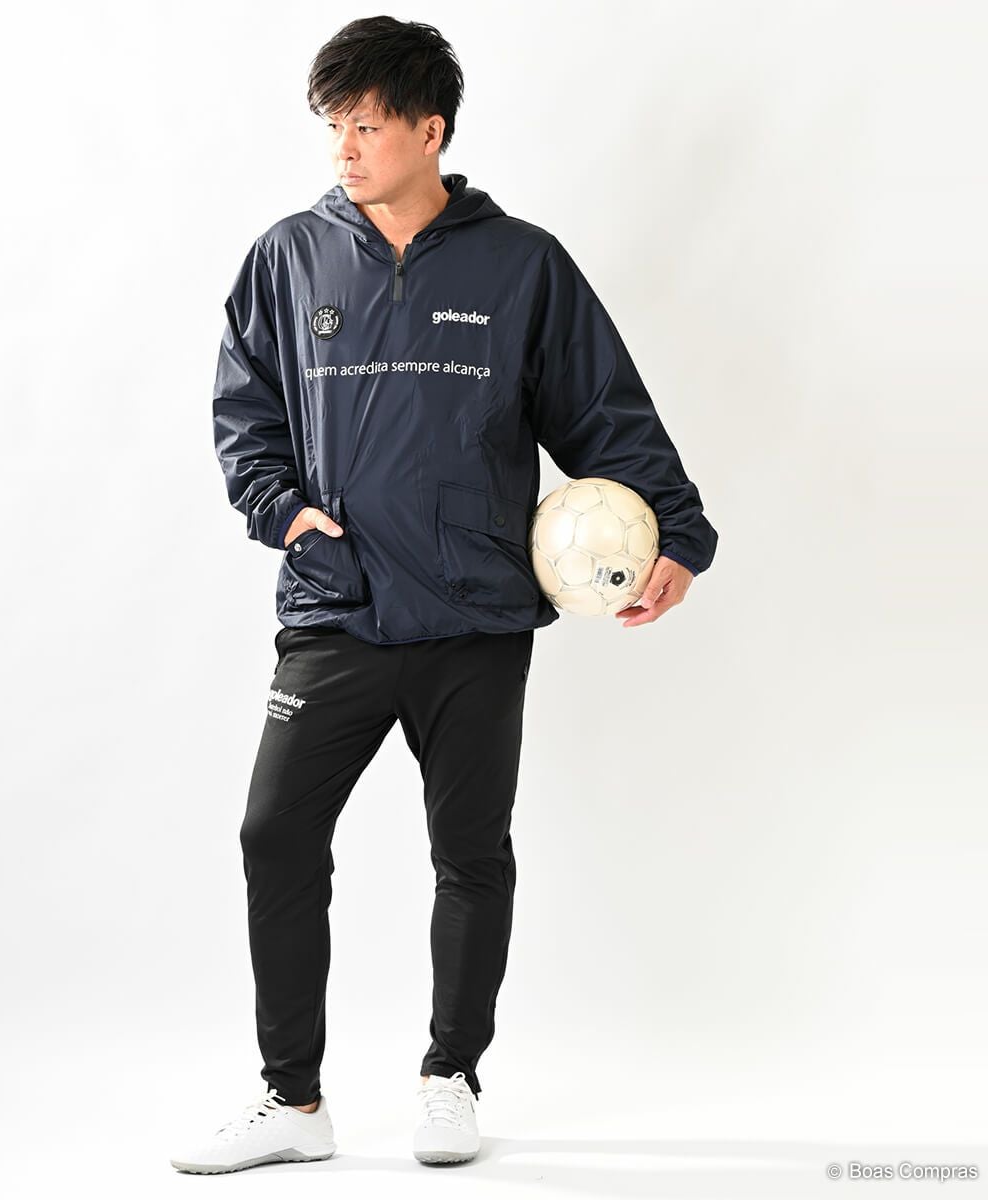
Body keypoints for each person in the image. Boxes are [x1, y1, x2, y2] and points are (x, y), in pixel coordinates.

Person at [171, 15, 718, 1176]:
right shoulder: (288, 259)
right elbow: (244, 411)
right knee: (275, 834)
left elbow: (605, 414)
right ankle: (292, 1100)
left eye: (365, 125)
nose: (343, 147)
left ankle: (451, 1077)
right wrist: (284, 512)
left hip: (477, 618)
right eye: (333, 125)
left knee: (470, 852)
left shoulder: (522, 266)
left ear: (430, 131)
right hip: (337, 608)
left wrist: (679, 532)